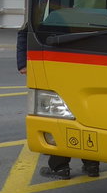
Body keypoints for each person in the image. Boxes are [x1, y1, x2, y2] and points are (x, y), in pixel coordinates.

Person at [16, 22, 100, 179]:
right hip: (90, 65)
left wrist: (22, 63)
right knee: (87, 115)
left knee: (60, 115)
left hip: (57, 65)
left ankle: (60, 166)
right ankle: (92, 164)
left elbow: (25, 32)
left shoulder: (52, 8)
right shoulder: (98, 14)